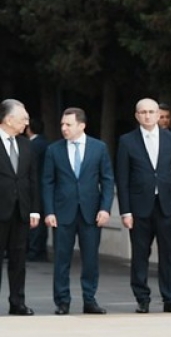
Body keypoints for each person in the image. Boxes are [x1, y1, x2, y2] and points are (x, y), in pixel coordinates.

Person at [116, 97, 171, 314]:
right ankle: (142, 298)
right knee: (140, 254)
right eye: (143, 112)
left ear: (159, 115)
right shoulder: (127, 141)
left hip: (167, 206)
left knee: (169, 254)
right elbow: (123, 178)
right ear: (137, 116)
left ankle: (170, 298)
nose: (147, 116)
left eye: (151, 112)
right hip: (139, 207)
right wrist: (125, 211)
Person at [41, 108, 114, 314]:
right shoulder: (54, 150)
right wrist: (49, 211)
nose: (64, 128)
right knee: (61, 260)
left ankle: (89, 299)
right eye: (62, 124)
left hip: (91, 213)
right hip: (62, 213)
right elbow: (47, 182)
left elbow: (107, 180)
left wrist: (105, 209)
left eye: (68, 124)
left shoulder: (99, 148)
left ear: (81, 125)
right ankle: (62, 301)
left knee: (90, 260)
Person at [0, 99, 40, 315]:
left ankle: (17, 302)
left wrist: (34, 209)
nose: (27, 122)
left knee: (19, 260)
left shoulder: (26, 145)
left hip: (21, 211)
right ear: (8, 119)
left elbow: (32, 179)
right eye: (23, 118)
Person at [26, 118, 50, 262]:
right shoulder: (46, 144)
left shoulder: (32, 145)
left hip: (35, 187)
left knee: (34, 220)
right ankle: (40, 250)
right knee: (41, 221)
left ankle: (34, 250)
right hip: (44, 187)